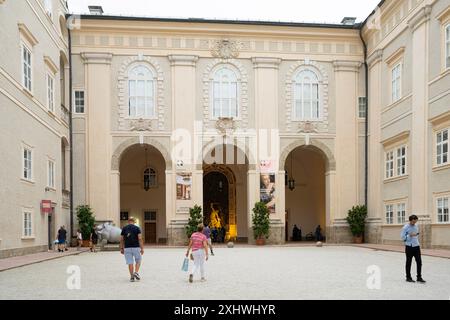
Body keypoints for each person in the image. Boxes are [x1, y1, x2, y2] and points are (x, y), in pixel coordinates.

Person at [400, 215, 426, 283]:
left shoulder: (416, 226)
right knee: (409, 262)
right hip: (409, 247)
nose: (414, 223)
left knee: (419, 262)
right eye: (413, 221)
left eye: (416, 221)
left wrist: (416, 235)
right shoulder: (405, 228)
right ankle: (408, 277)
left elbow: (416, 235)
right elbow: (403, 238)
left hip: (416, 246)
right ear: (410, 220)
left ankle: (419, 277)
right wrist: (409, 235)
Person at [120, 217, 144, 282]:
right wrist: (142, 248)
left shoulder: (124, 228)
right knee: (138, 261)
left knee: (130, 262)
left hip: (127, 248)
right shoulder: (137, 228)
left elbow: (122, 239)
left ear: (128, 221)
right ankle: (136, 272)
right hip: (136, 247)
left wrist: (121, 248)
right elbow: (140, 238)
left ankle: (132, 277)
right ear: (134, 221)